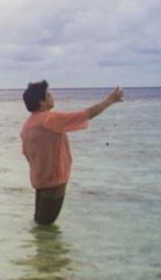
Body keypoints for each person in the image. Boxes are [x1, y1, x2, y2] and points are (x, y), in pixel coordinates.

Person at [20, 81, 124, 225]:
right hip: (54, 183)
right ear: (41, 102)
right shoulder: (49, 119)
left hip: (40, 182)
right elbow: (85, 114)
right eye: (48, 94)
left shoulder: (27, 125)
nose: (52, 96)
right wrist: (110, 100)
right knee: (45, 228)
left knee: (40, 225)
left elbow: (27, 155)